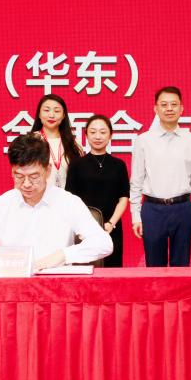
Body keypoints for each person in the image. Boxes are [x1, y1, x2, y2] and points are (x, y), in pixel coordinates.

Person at [0, 133, 112, 271]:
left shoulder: (68, 202)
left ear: (48, 170)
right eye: (19, 176)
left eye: (34, 176)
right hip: (13, 282)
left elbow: (103, 243)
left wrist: (62, 255)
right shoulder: (1, 204)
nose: (26, 184)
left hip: (55, 284)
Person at [129, 86, 191, 267]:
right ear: (155, 108)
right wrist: (135, 215)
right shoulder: (143, 140)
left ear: (181, 108)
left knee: (182, 267)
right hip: (152, 210)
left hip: (183, 209)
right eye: (164, 105)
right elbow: (136, 181)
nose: (169, 109)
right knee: (154, 268)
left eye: (174, 104)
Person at [65, 114, 130, 267]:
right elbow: (70, 199)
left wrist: (111, 223)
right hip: (84, 229)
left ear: (110, 135)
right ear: (86, 135)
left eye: (103, 132)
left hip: (111, 227)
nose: (98, 136)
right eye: (93, 132)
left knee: (112, 270)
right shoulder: (76, 165)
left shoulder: (119, 165)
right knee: (86, 269)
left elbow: (123, 198)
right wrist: (82, 226)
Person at [30, 94, 83, 189]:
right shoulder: (30, 140)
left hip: (67, 196)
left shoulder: (74, 143)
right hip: (38, 195)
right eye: (46, 110)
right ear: (39, 114)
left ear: (63, 116)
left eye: (57, 111)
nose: (51, 115)